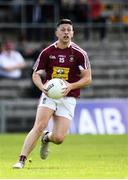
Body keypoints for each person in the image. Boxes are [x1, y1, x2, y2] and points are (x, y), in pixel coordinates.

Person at [13, 19, 92, 169]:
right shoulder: (47, 52)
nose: (66, 32)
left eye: (69, 30)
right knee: (39, 125)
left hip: (68, 97)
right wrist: (42, 88)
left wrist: (71, 86)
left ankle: (46, 138)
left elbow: (88, 79)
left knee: (59, 138)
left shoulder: (80, 54)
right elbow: (36, 74)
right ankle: (21, 160)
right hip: (49, 95)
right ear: (57, 33)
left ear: (73, 33)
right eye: (63, 29)